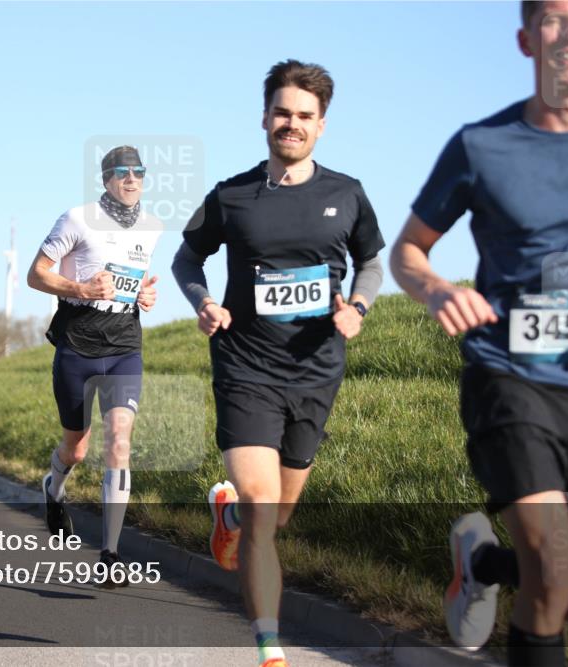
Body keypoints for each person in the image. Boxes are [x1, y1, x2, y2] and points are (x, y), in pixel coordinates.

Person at [390, 2, 568, 664]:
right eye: (552, 18)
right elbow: (408, 251)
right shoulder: (480, 145)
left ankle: (482, 560)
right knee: (549, 568)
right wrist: (437, 289)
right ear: (525, 40)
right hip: (511, 375)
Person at [172, 60, 385, 667]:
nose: (292, 124)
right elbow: (187, 262)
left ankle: (228, 514)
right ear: (265, 117)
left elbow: (371, 260)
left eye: (305, 116)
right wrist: (204, 302)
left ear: (322, 126)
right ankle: (271, 649)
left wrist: (360, 308)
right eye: (283, 113)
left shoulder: (346, 194)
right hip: (246, 368)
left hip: (316, 371)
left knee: (277, 512)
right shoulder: (231, 195)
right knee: (267, 510)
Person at [27, 146, 162, 585]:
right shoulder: (76, 218)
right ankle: (54, 487)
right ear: (106, 179)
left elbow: (135, 277)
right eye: (122, 172)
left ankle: (110, 555)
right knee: (77, 449)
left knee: (119, 440)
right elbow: (35, 274)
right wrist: (79, 288)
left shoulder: (151, 226)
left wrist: (144, 294)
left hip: (125, 343)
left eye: (138, 172)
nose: (131, 179)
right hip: (78, 344)